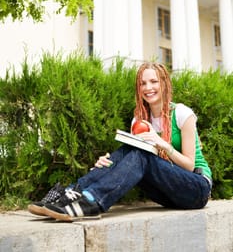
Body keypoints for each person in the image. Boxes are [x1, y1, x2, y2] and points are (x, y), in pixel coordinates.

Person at [28, 62, 212, 222]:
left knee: (141, 155)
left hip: (196, 188)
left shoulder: (182, 113)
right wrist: (107, 166)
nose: (148, 87)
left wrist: (162, 143)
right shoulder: (139, 121)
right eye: (143, 83)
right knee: (128, 151)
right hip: (167, 193)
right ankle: (72, 193)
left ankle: (92, 200)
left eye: (154, 81)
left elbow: (189, 165)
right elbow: (134, 161)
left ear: (164, 83)